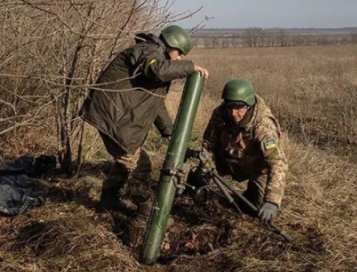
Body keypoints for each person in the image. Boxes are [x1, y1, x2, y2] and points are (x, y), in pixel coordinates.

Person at [80, 25, 209, 222]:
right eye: (179, 53)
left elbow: (155, 105)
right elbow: (156, 70)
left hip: (116, 117)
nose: (179, 58)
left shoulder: (152, 54)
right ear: (172, 46)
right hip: (113, 118)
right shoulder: (148, 52)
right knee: (140, 164)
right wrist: (190, 67)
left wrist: (169, 132)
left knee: (125, 159)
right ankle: (146, 211)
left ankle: (108, 200)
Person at [201, 78, 287, 224]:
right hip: (228, 159)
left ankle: (250, 195)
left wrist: (272, 201)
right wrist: (206, 170)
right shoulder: (220, 114)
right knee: (197, 180)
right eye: (229, 107)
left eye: (239, 108)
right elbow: (208, 144)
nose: (234, 113)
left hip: (256, 168)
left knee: (256, 209)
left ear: (249, 105)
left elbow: (277, 163)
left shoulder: (264, 126)